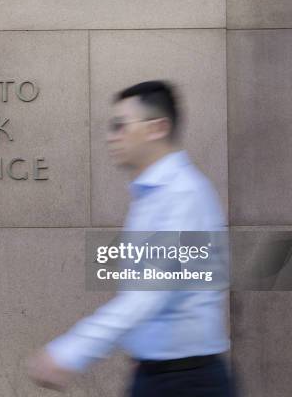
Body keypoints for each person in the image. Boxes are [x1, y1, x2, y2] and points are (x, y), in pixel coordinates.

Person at [27, 81, 235, 396]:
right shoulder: (154, 194)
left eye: (120, 125)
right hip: (162, 373)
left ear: (157, 128)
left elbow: (147, 294)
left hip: (186, 382)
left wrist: (70, 352)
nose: (112, 136)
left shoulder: (180, 194)